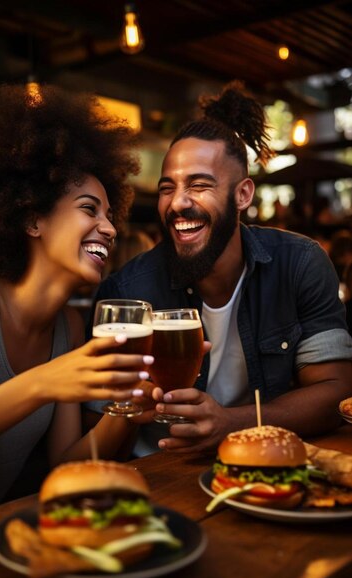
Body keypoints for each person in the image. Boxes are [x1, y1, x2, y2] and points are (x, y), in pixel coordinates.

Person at [88, 81, 352, 456]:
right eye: (167, 188)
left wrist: (234, 424)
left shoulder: (299, 263)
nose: (178, 202)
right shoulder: (127, 289)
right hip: (159, 472)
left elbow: (337, 391)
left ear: (243, 194)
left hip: (264, 466)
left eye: (199, 185)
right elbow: (100, 423)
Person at [0, 83, 153, 523]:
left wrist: (127, 410)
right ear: (33, 217)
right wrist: (42, 383)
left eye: (110, 216)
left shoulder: (69, 327)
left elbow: (65, 468)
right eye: (90, 209)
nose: (109, 229)